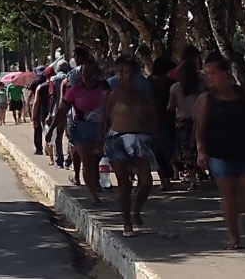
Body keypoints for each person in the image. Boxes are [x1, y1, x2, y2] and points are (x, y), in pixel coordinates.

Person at [196, 52, 245, 249]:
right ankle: (234, 235)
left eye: (212, 73)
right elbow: (200, 127)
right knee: (228, 194)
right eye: (206, 74)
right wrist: (201, 151)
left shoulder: (242, 94)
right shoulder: (207, 99)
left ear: (225, 74)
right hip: (219, 153)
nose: (208, 77)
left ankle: (242, 217)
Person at [101, 55, 157, 237]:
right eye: (121, 72)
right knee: (123, 183)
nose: (124, 76)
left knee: (146, 182)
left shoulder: (142, 95)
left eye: (128, 72)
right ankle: (126, 223)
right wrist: (98, 144)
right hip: (117, 141)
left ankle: (136, 210)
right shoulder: (112, 95)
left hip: (139, 140)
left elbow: (152, 119)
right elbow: (104, 120)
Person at [48, 61, 109, 202]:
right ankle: (94, 194)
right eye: (84, 73)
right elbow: (62, 111)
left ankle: (96, 183)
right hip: (82, 129)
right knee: (87, 162)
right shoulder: (75, 91)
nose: (87, 75)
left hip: (102, 129)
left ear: (97, 74)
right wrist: (52, 130)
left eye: (90, 72)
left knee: (96, 161)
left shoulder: (104, 87)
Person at [169, 52, 203, 190]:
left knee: (187, 151)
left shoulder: (175, 88)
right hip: (200, 119)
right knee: (199, 147)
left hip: (182, 122)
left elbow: (170, 107)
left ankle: (193, 178)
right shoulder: (201, 85)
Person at [148, 57, 176, 191]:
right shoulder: (169, 83)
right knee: (162, 150)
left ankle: (165, 178)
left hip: (160, 120)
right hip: (164, 120)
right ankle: (166, 178)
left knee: (159, 151)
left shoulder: (149, 83)